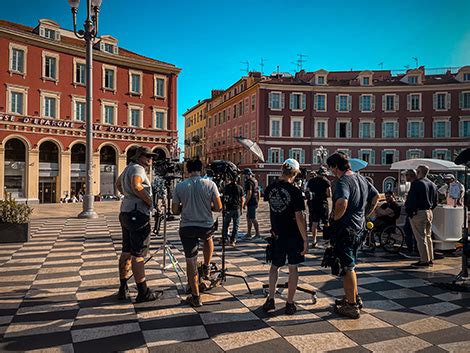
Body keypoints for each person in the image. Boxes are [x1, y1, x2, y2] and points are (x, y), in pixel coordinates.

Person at [326, 152, 379, 319]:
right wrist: (366, 214)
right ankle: (353, 297)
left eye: (331, 168)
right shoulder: (362, 179)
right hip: (359, 229)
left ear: (335, 167)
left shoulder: (342, 182)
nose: (331, 171)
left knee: (348, 267)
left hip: (345, 230)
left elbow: (342, 202)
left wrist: (335, 218)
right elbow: (376, 196)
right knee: (351, 265)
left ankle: (351, 305)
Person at [172, 158, 222, 307]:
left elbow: (174, 211)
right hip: (205, 225)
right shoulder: (210, 184)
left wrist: (184, 208)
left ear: (187, 170)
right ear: (201, 169)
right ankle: (206, 266)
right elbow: (219, 207)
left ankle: (195, 296)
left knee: (191, 261)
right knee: (208, 239)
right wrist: (208, 207)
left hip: (187, 226)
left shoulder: (180, 186)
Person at [115, 146, 162, 303]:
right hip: (137, 214)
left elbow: (118, 184)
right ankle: (143, 291)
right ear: (140, 156)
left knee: (126, 251)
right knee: (138, 254)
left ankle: (123, 287)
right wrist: (150, 201)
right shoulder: (139, 169)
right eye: (147, 156)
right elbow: (137, 185)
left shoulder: (128, 168)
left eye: (152, 156)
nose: (151, 159)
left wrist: (127, 195)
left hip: (125, 211)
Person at [262, 159, 308, 315]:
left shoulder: (270, 188)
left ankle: (271, 299)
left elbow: (271, 207)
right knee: (293, 268)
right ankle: (289, 303)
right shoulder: (296, 192)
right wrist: (306, 239)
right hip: (293, 235)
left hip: (277, 234)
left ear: (281, 170)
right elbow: (300, 217)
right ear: (294, 173)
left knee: (275, 266)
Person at [406, 165, 438, 267]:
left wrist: (410, 212)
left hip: (418, 213)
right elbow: (435, 202)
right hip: (429, 212)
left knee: (420, 238)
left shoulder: (417, 184)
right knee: (428, 236)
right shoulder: (433, 184)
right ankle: (430, 258)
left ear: (418, 171)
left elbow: (411, 201)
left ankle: (424, 260)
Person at [306, 166, 331, 248]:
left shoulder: (311, 181)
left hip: (313, 203)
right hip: (323, 203)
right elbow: (329, 194)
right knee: (326, 222)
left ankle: (314, 240)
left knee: (314, 222)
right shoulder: (326, 181)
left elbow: (307, 191)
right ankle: (327, 240)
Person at [221, 175, 244, 246]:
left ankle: (224, 238)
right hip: (236, 208)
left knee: (225, 224)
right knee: (235, 225)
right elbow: (242, 199)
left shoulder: (226, 187)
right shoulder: (240, 188)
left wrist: (223, 207)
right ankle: (233, 240)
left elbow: (223, 198)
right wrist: (241, 208)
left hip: (228, 208)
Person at [403, 169, 418, 255]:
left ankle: (412, 249)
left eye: (406, 175)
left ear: (411, 175)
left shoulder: (415, 185)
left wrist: (410, 210)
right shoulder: (413, 184)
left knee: (411, 231)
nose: (405, 177)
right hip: (413, 212)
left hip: (413, 213)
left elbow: (413, 200)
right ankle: (413, 248)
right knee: (410, 230)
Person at [242, 169, 260, 239]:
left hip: (251, 202)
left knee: (252, 218)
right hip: (254, 201)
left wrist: (245, 203)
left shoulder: (249, 182)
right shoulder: (255, 181)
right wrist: (257, 201)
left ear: (247, 174)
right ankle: (249, 233)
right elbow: (258, 192)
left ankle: (257, 234)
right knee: (249, 217)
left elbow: (249, 193)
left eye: (245, 175)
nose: (244, 176)